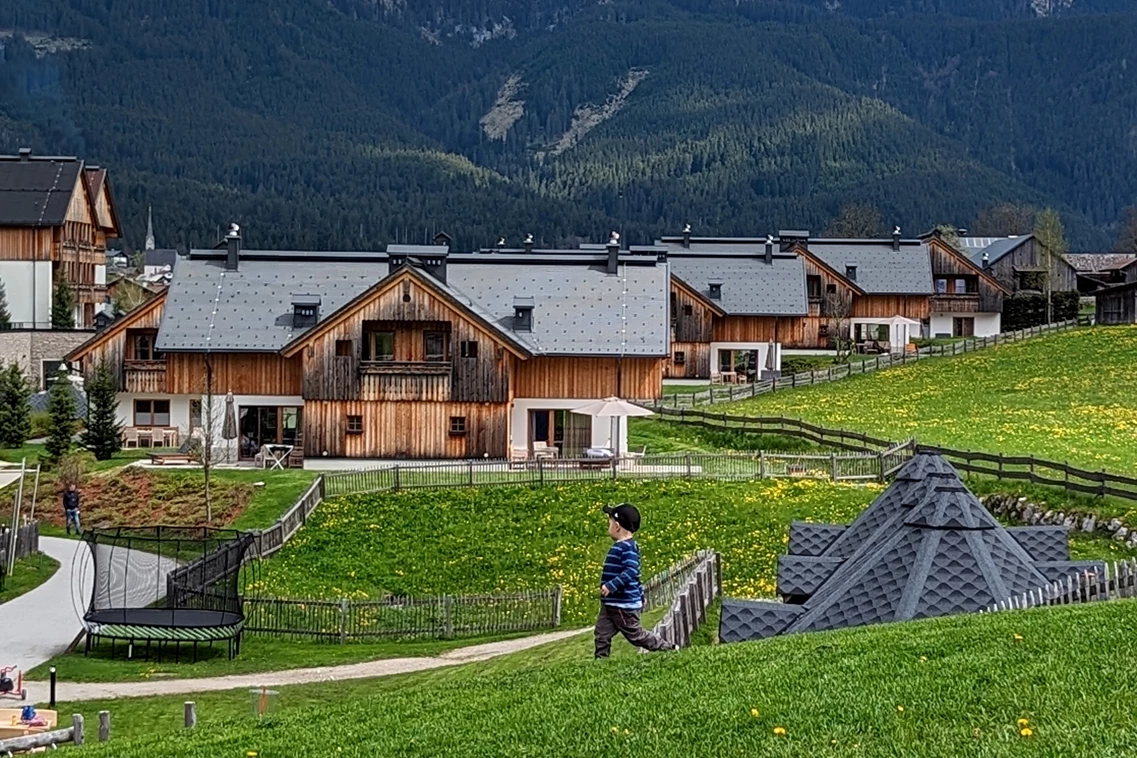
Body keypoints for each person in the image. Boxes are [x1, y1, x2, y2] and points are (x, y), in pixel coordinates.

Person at [595, 503, 678, 659]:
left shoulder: (627, 548)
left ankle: (667, 648)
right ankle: (600, 661)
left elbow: (631, 572)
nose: (609, 525)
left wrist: (611, 585)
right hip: (611, 603)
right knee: (601, 633)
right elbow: (635, 576)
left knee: (636, 635)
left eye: (610, 522)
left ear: (617, 526)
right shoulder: (622, 546)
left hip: (622, 604)